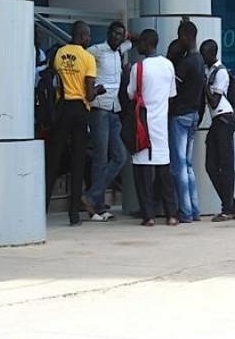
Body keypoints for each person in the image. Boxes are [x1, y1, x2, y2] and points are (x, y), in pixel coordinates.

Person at [45, 20, 103, 226]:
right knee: (78, 160)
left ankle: (42, 208)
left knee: (53, 158)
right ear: (83, 35)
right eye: (88, 36)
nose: (89, 39)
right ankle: (73, 215)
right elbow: (89, 93)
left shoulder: (58, 54)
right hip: (79, 109)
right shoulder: (88, 58)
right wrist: (98, 90)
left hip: (61, 108)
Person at [81, 21, 132, 222]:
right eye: (115, 34)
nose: (118, 37)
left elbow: (134, 40)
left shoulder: (120, 50)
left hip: (114, 109)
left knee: (120, 156)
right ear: (108, 33)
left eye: (121, 35)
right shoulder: (96, 51)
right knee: (100, 158)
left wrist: (129, 35)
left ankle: (91, 196)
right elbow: (81, 60)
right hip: (99, 108)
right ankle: (98, 207)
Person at [128, 29, 179, 226]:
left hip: (142, 124)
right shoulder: (168, 65)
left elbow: (131, 94)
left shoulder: (138, 68)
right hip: (161, 124)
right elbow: (171, 94)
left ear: (147, 43)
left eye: (140, 42)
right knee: (164, 172)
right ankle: (171, 214)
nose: (138, 46)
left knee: (142, 173)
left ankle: (148, 215)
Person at [168, 20, 205, 223]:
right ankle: (194, 209)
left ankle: (185, 211)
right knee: (188, 165)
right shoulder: (199, 61)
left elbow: (172, 92)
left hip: (180, 116)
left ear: (185, 36)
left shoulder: (186, 63)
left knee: (179, 165)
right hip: (192, 116)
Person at [200, 39, 235, 222]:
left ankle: (227, 208)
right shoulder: (209, 71)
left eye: (204, 55)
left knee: (226, 164)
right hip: (217, 121)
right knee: (211, 165)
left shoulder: (221, 72)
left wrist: (204, 86)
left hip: (224, 118)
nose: (202, 58)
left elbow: (215, 101)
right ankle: (231, 204)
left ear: (212, 54)